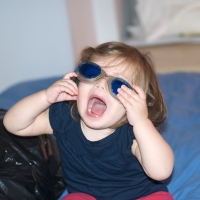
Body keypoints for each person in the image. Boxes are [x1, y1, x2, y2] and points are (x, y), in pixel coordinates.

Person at [3, 42, 174, 200]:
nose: (101, 85)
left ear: (134, 103)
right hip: (85, 195)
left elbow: (161, 171)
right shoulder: (65, 118)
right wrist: (45, 97)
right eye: (92, 73)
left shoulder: (133, 131)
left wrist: (142, 122)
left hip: (139, 195)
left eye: (118, 85)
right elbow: (13, 124)